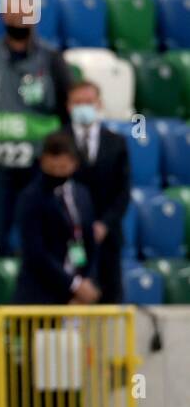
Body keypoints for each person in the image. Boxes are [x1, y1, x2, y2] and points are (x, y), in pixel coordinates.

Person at [0, 0, 73, 263]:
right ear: (4, 16)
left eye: (25, 12)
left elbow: (67, 108)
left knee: (39, 235)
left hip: (39, 167)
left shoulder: (52, 59)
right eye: (13, 12)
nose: (18, 18)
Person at [12, 133, 101, 306]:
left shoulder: (82, 194)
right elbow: (36, 253)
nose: (57, 174)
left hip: (76, 299)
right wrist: (74, 285)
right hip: (40, 298)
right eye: (52, 169)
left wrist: (87, 281)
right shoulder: (31, 197)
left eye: (63, 168)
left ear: (74, 164)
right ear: (43, 161)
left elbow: (89, 242)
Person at [67, 80, 130, 304]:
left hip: (107, 237)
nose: (83, 107)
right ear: (68, 106)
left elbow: (123, 192)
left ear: (99, 104)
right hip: (67, 237)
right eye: (78, 102)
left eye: (88, 102)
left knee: (109, 298)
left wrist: (104, 224)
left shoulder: (116, 143)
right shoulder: (58, 141)